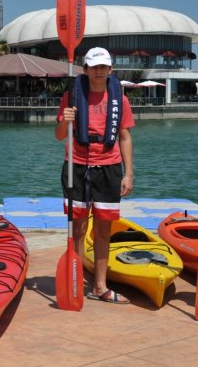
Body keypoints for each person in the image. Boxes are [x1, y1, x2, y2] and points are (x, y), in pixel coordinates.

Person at [55, 47, 135, 304]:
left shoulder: (119, 99)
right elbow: (58, 136)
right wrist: (65, 121)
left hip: (109, 167)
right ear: (85, 70)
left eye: (104, 67)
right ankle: (75, 279)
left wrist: (129, 173)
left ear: (111, 70)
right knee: (77, 229)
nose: (99, 72)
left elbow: (124, 136)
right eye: (94, 67)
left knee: (103, 230)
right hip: (76, 166)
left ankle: (100, 286)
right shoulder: (71, 96)